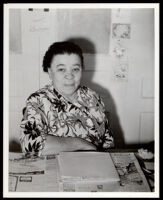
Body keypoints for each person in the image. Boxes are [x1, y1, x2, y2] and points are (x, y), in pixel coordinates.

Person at [20, 41, 114, 157]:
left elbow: (108, 141)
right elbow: (30, 145)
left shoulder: (92, 96)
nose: (69, 76)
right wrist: (81, 144)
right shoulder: (38, 101)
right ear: (50, 71)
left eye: (75, 69)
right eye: (61, 69)